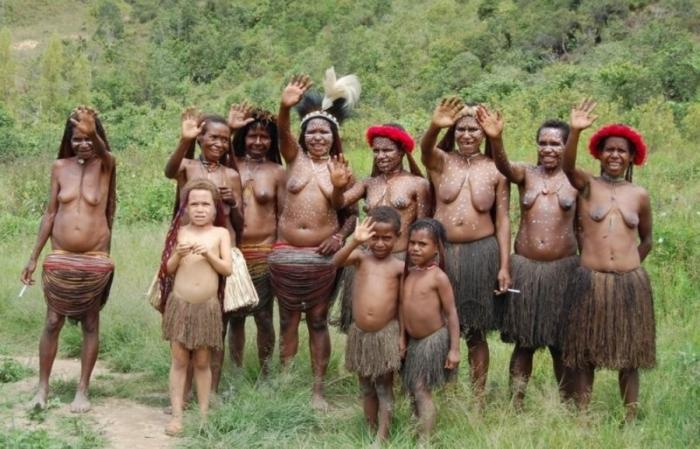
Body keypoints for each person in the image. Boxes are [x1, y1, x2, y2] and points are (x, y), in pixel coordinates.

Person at [476, 107, 579, 408]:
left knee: (560, 343)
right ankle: (516, 403)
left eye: (555, 143)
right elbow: (504, 166)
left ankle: (566, 404)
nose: (548, 149)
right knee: (524, 342)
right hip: (525, 269)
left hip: (563, 270)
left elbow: (585, 229)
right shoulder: (526, 174)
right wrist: (496, 138)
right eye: (543, 143)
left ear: (566, 146)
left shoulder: (576, 180)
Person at [269, 71, 359, 410]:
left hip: (321, 259)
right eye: (312, 131)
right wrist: (284, 107)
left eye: (324, 132)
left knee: (318, 321)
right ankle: (285, 384)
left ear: (334, 137)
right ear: (303, 135)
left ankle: (318, 390)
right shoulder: (294, 159)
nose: (318, 137)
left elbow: (349, 214)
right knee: (287, 320)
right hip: (286, 255)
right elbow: (282, 132)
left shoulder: (342, 168)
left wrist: (339, 236)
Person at [560, 99, 655, 423]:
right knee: (585, 353)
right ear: (599, 154)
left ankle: (630, 418)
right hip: (591, 281)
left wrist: (628, 267)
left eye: (621, 151)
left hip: (629, 284)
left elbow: (647, 240)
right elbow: (567, 168)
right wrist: (575, 131)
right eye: (609, 150)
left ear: (632, 157)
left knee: (630, 354)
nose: (615, 155)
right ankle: (583, 417)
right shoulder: (587, 186)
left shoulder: (639, 195)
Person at [21, 106, 116, 413]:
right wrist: (33, 257)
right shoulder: (59, 167)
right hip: (61, 256)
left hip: (94, 257)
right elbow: (50, 214)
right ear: (68, 140)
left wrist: (92, 131)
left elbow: (105, 152)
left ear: (97, 137)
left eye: (89, 138)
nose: (83, 144)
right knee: (52, 321)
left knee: (90, 322)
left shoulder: (106, 164)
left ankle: (82, 391)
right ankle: (42, 388)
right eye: (77, 138)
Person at [420, 97, 511, 404]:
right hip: (442, 253)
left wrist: (504, 266)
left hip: (481, 254)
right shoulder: (441, 161)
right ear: (453, 132)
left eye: (474, 129)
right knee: (440, 325)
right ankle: (443, 391)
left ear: (484, 133)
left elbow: (503, 220)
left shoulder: (496, 170)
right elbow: (425, 150)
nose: (467, 135)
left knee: (475, 330)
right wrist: (435, 126)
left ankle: (478, 398)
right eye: (461, 129)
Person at [164, 108, 256, 392]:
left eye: (225, 139)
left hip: (219, 255)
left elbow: (239, 224)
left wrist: (232, 203)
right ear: (200, 138)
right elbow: (169, 172)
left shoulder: (231, 175)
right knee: (184, 326)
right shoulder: (187, 166)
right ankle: (184, 393)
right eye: (213, 137)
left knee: (216, 327)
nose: (219, 143)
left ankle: (210, 393)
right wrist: (184, 139)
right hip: (187, 254)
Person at [328, 123, 431, 332]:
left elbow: (423, 229)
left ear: (401, 151)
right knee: (366, 319)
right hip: (367, 260)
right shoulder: (369, 183)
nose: (381, 156)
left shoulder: (418, 184)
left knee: (399, 323)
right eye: (376, 151)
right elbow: (339, 203)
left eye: (387, 150)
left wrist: (418, 265)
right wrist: (338, 187)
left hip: (400, 260)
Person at [157, 179, 232, 436]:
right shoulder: (179, 232)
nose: (200, 209)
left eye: (205, 204)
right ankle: (177, 416)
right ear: (186, 208)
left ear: (215, 208)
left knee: (202, 362)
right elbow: (168, 269)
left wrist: (209, 254)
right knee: (179, 361)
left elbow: (227, 269)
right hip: (180, 306)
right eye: (194, 204)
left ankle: (203, 416)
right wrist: (179, 253)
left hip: (207, 308)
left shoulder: (220, 234)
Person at [331, 207, 404, 444]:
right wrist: (355, 241)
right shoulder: (360, 258)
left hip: (385, 335)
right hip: (360, 335)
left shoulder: (399, 268)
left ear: (398, 237)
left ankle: (382, 438)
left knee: (383, 387)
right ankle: (370, 429)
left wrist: (402, 337)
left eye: (387, 238)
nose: (380, 243)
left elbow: (403, 305)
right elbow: (335, 262)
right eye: (375, 237)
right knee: (365, 387)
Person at [226, 103, 285, 375]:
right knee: (234, 317)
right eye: (252, 136)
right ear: (243, 137)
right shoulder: (230, 166)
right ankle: (235, 372)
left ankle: (266, 374)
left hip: (264, 252)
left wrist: (278, 251)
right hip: (232, 252)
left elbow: (282, 216)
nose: (258, 142)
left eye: (265, 137)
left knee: (263, 316)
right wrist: (229, 128)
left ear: (272, 141)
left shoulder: (277, 171)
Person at [400, 219, 460, 443]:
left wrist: (454, 349)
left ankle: (425, 441)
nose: (415, 248)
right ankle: (416, 431)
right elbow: (402, 308)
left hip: (432, 339)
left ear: (436, 248)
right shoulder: (409, 273)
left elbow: (451, 313)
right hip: (413, 342)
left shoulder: (438, 277)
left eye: (422, 244)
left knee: (421, 389)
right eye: (412, 243)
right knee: (412, 390)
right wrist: (402, 338)